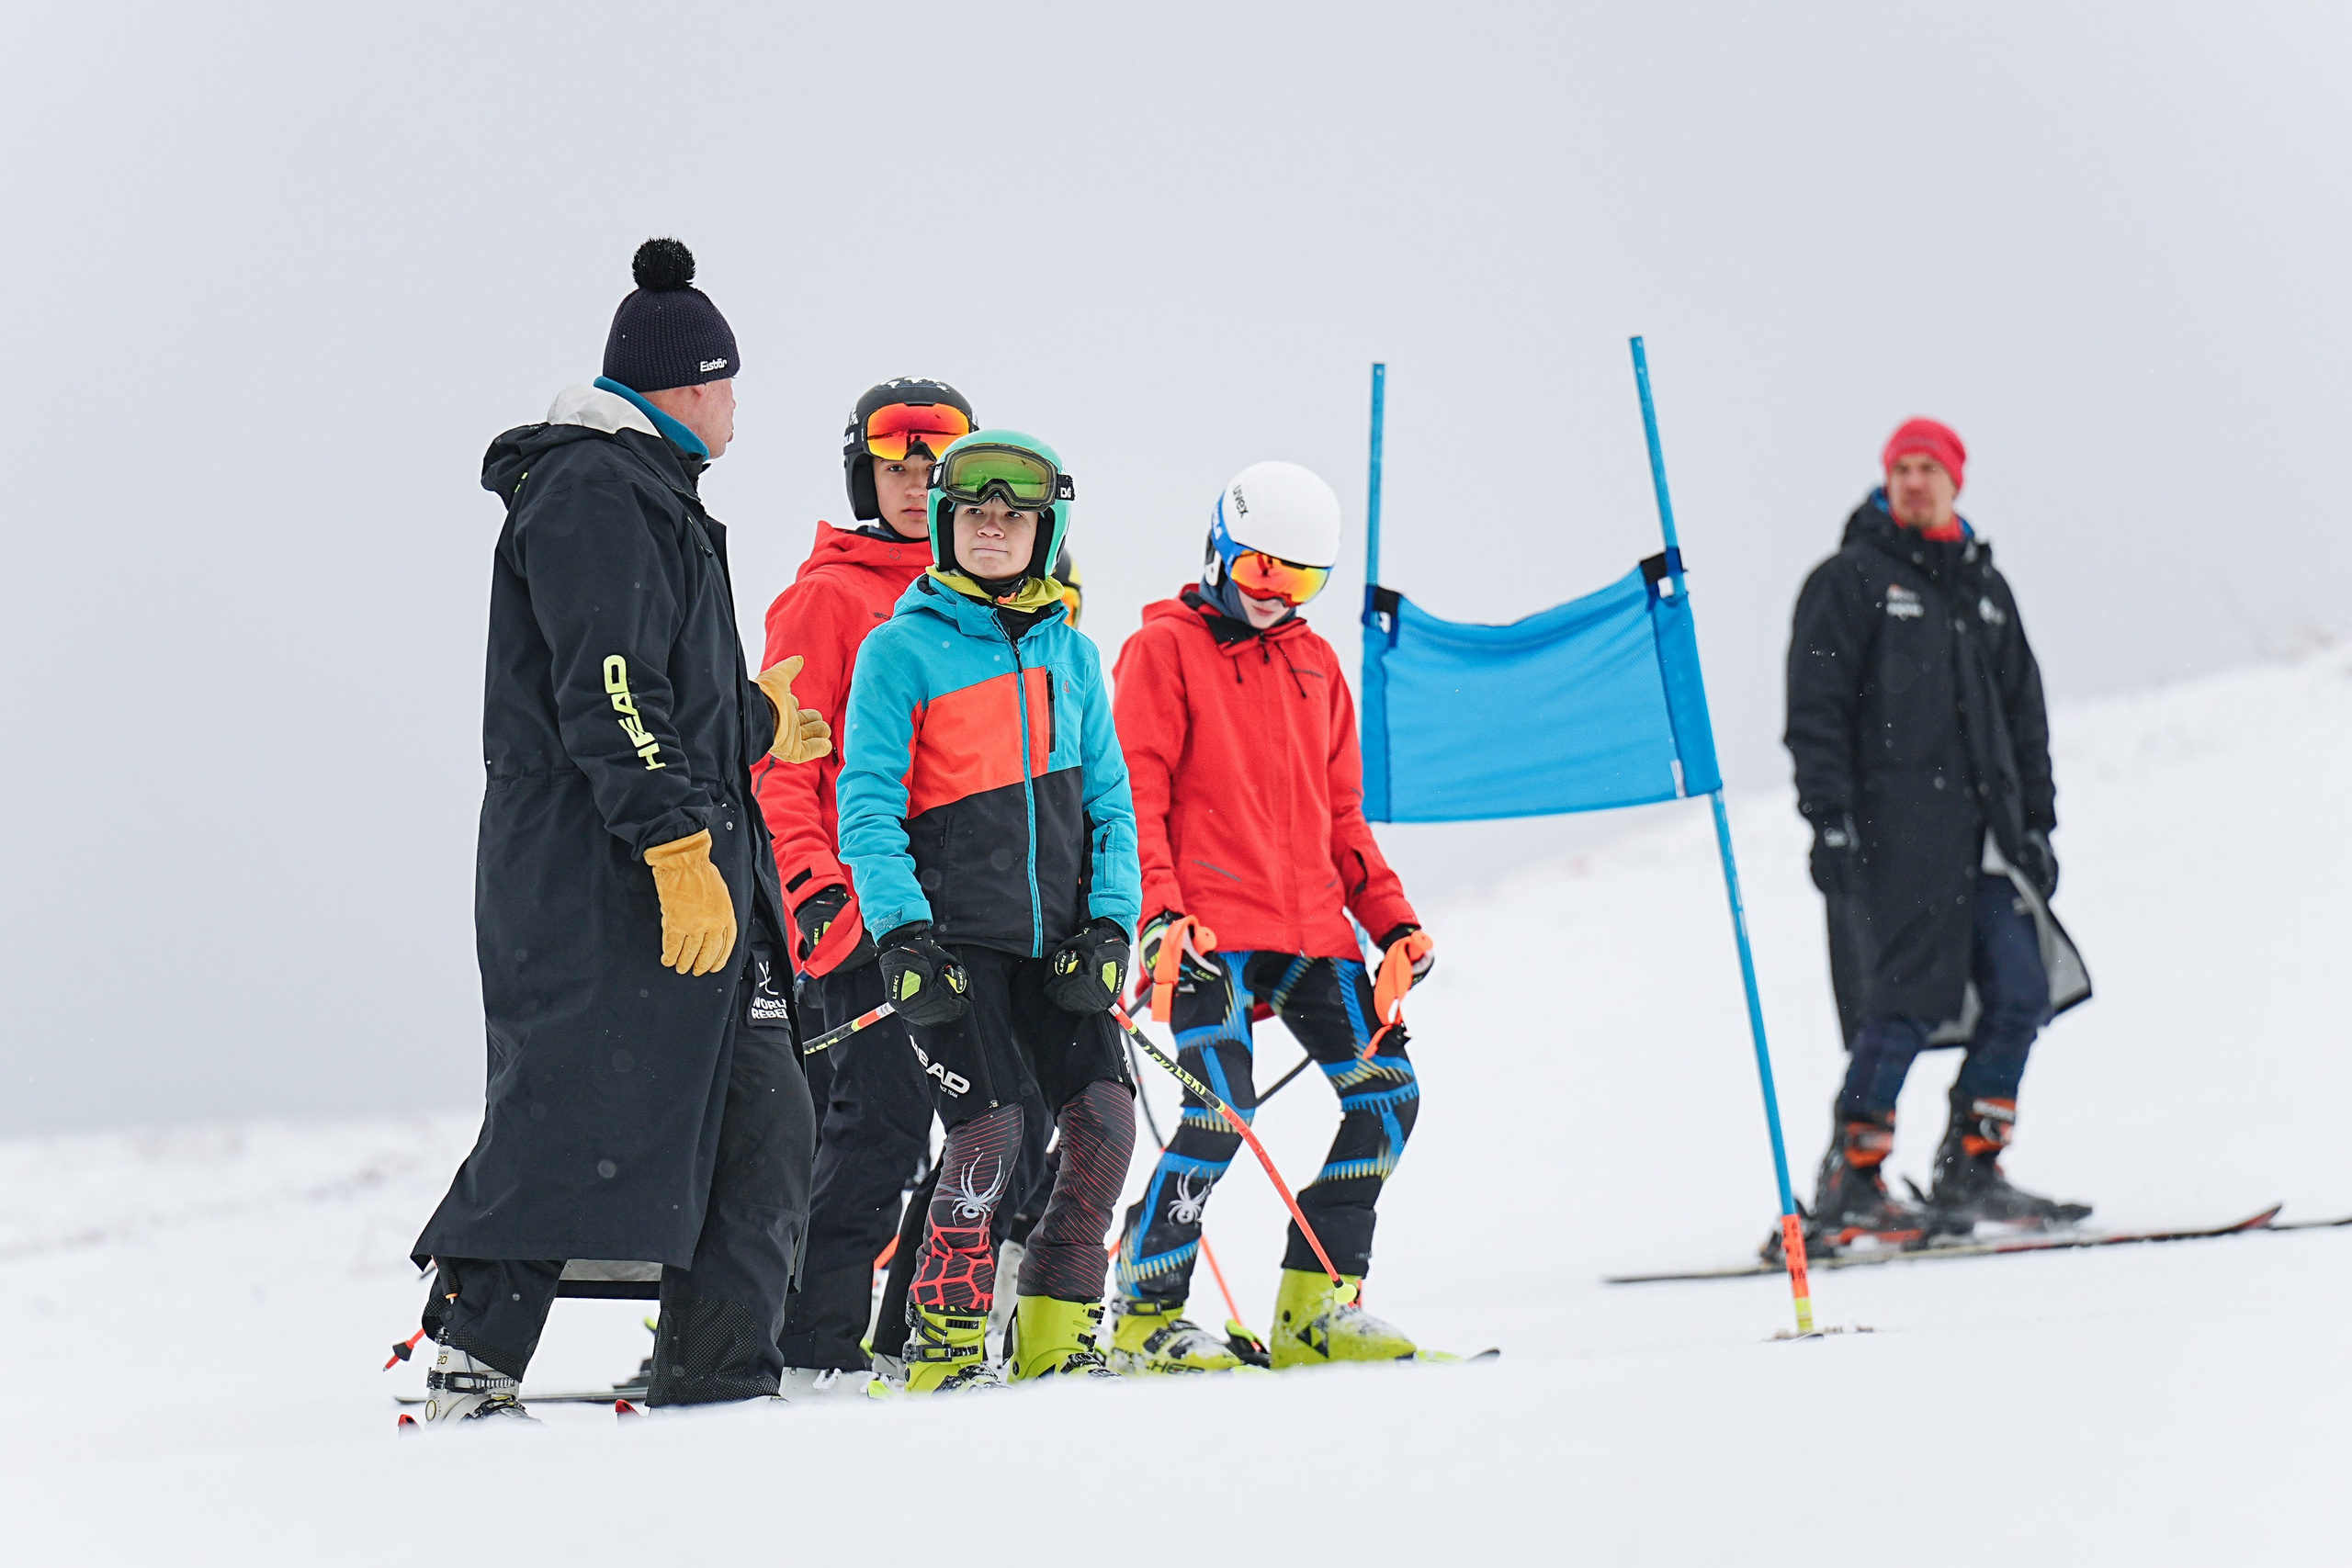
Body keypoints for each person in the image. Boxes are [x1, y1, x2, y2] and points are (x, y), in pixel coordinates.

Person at [409, 239, 835, 1421]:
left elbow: (668, 688)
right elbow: (604, 686)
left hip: (697, 859)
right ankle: (470, 1363)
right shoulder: (596, 488)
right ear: (688, 385)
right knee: (572, 1102)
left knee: (764, 1114)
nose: (740, 409)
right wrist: (672, 845)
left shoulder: (654, 498)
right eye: (731, 384)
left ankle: (721, 1385)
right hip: (602, 872)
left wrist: (760, 722)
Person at [1108, 461, 1434, 1372]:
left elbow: (1342, 817)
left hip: (1311, 935)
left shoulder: (1315, 662)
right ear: (1216, 546)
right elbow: (1139, 798)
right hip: (1207, 935)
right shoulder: (1162, 651)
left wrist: (1393, 923)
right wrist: (1161, 913)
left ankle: (1315, 1307)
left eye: (1297, 580)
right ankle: (1144, 1312)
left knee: (1390, 1100)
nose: (1272, 594)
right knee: (1220, 1109)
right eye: (1257, 569)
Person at [834, 429, 1141, 1393]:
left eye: (1014, 514)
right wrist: (903, 934)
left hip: (1058, 952)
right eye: (973, 512)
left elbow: (1110, 808)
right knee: (991, 1135)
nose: (993, 526)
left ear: (1045, 532)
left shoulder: (1076, 657)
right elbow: (868, 804)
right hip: (955, 950)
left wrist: (1109, 927)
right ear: (943, 526)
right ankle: (944, 1348)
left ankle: (1055, 1335)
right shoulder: (898, 650)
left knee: (1102, 1123)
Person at [1784, 418, 2091, 1254]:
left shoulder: (1984, 589)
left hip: (1987, 837)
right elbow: (1814, 714)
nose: (1915, 481)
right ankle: (1852, 1177)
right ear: (1886, 481)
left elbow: (2027, 716)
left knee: (2023, 987)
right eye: (1902, 468)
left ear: (1957, 481)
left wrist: (2038, 826)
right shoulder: (1851, 581)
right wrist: (1831, 820)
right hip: (1897, 837)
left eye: (1930, 468)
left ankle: (1972, 1164)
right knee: (1906, 999)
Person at [753, 379, 978, 1393]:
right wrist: (812, 886)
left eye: (934, 467)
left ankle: (902, 1336)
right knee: (879, 1123)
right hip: (865, 918)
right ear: (864, 473)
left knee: (984, 1131)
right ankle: (815, 1343)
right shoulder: (827, 597)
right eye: (895, 466)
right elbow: (782, 765)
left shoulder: (976, 609)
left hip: (967, 916)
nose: (914, 483)